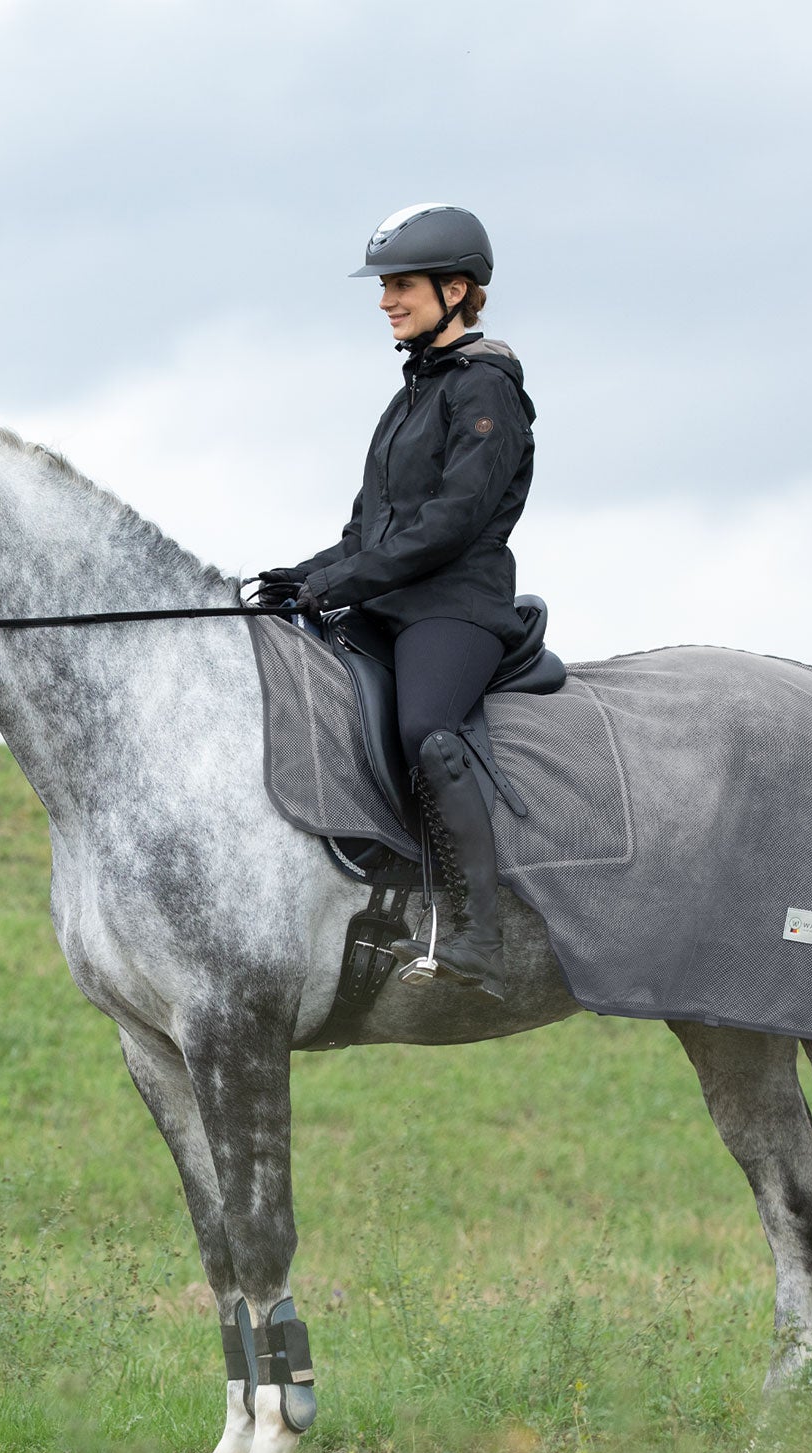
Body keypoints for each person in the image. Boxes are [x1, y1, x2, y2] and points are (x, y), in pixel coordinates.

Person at [258, 203, 536, 1001]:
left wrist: (341, 583)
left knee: (426, 731)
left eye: (402, 285)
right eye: (385, 286)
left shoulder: (487, 391)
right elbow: (366, 531)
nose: (386, 301)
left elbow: (450, 525)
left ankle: (479, 938)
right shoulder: (409, 396)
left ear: (457, 290)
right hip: (390, 599)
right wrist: (297, 577)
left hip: (456, 605)